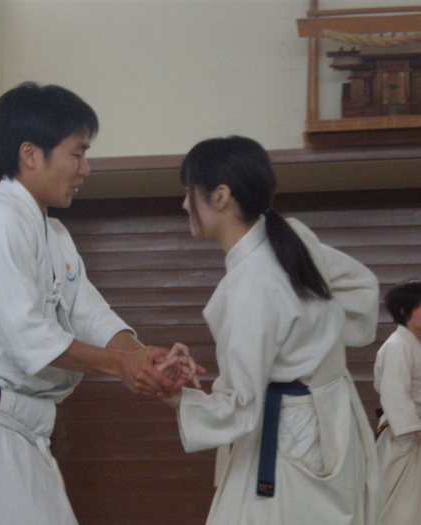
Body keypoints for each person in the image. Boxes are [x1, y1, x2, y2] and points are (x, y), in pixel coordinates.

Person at [0, 82, 200, 525]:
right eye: (77, 153)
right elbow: (28, 337)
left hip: (20, 431)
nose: (85, 169)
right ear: (30, 154)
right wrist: (122, 366)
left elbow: (91, 316)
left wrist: (145, 359)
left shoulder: (55, 235)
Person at [163, 136, 380, 524]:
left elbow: (239, 408)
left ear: (220, 196)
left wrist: (174, 395)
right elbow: (361, 289)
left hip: (290, 437)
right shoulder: (291, 236)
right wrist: (319, 347)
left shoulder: (251, 284)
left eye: (188, 191)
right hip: (332, 418)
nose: (183, 204)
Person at [374, 279, 421, 525]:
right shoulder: (397, 346)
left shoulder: (415, 344)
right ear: (404, 311)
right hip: (405, 435)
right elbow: (395, 396)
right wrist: (416, 429)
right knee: (401, 506)